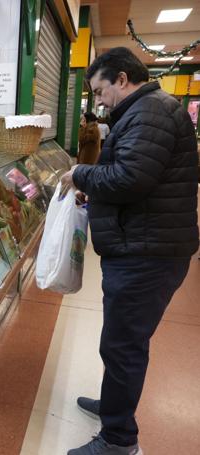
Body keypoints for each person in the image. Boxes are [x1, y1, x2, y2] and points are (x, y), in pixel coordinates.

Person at [60, 47, 198, 455]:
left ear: (122, 79)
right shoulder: (148, 110)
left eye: (100, 91)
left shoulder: (151, 111)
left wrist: (80, 174)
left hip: (147, 253)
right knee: (120, 340)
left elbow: (131, 178)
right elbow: (137, 180)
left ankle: (119, 441)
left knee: (123, 344)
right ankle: (114, 406)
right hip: (144, 244)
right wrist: (94, 194)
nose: (99, 102)